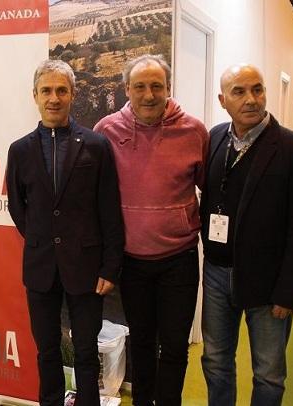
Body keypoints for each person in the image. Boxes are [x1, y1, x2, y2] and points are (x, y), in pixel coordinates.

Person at [6, 59, 125, 406]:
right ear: (35, 96)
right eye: (46, 91)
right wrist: (43, 238)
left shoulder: (97, 146)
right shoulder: (21, 150)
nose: (53, 98)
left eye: (61, 90)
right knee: (46, 350)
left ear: (73, 94)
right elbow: (18, 208)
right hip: (41, 267)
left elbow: (109, 210)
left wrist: (109, 267)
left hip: (87, 268)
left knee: (86, 351)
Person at [94, 54, 209, 406]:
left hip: (180, 258)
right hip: (132, 261)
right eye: (139, 86)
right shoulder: (106, 131)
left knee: (174, 346)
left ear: (168, 88)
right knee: (142, 343)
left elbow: (209, 189)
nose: (148, 94)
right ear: (126, 89)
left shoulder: (194, 131)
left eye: (156, 86)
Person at [200, 64, 293, 406]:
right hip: (217, 273)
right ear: (223, 100)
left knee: (268, 373)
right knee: (216, 361)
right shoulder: (216, 137)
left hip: (269, 283)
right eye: (239, 92)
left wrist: (289, 291)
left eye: (257, 89)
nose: (251, 99)